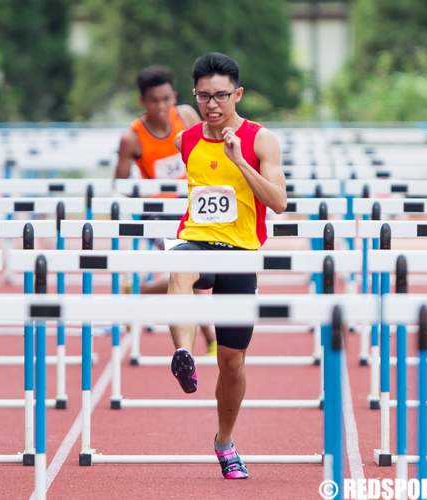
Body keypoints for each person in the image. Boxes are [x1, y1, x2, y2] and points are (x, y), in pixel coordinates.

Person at [168, 52, 287, 480]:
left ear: (238, 93)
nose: (212, 104)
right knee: (178, 269)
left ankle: (224, 442)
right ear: (195, 96)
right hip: (198, 240)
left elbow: (279, 203)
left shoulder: (261, 140)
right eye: (204, 96)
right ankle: (182, 352)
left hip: (240, 252)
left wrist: (239, 161)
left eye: (221, 95)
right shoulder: (187, 139)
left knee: (233, 362)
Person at [114, 65, 217, 355]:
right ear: (143, 102)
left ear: (175, 97)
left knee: (197, 272)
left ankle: (138, 293)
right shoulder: (131, 138)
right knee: (189, 271)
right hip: (158, 214)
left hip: (195, 205)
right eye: (154, 100)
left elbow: (209, 151)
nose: (162, 106)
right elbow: (119, 185)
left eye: (166, 99)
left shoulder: (185, 116)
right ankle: (211, 341)